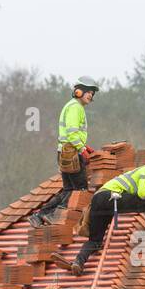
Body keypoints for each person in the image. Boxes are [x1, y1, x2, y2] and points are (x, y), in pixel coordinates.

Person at [68, 153, 145, 275]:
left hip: (99, 200)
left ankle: (79, 261)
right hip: (112, 197)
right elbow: (143, 194)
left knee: (95, 241)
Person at [30, 76, 100, 227]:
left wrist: (84, 145)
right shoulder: (76, 107)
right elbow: (72, 132)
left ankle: (41, 214)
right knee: (79, 190)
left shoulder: (71, 106)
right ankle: (57, 217)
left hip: (65, 152)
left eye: (92, 94)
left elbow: (71, 134)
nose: (91, 95)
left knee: (69, 189)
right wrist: (82, 149)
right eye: (88, 92)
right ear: (79, 91)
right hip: (72, 154)